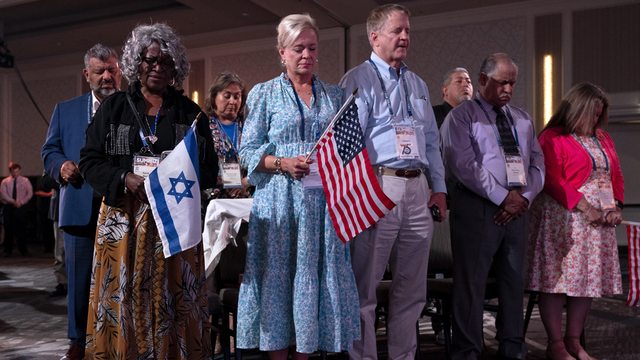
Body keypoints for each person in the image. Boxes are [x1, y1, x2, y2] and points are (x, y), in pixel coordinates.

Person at [79, 23, 217, 359]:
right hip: (124, 222)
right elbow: (89, 161)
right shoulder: (114, 109)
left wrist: (179, 174)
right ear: (135, 64)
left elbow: (210, 170)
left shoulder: (191, 114)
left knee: (175, 299)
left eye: (166, 62)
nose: (157, 67)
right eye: (149, 60)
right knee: (122, 300)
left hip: (175, 224)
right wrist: (124, 177)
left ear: (176, 69)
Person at [236, 13, 360, 358]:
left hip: (321, 206)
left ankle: (305, 353)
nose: (306, 55)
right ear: (282, 53)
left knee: (311, 276)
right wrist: (281, 163)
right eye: (298, 48)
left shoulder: (334, 95)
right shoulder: (264, 93)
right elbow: (246, 152)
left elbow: (347, 151)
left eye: (312, 48)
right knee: (279, 278)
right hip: (278, 202)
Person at [339, 4, 447, 359]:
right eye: (397, 31)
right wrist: (362, 192)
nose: (404, 37)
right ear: (374, 37)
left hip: (418, 189)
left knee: (412, 290)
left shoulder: (417, 82)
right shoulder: (358, 79)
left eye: (407, 31)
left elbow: (431, 142)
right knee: (364, 289)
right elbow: (347, 143)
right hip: (378, 186)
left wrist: (440, 190)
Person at [440, 53, 545, 359]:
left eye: (513, 83)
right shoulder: (460, 118)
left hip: (517, 211)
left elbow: (538, 163)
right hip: (477, 209)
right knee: (471, 285)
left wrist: (524, 197)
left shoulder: (523, 118)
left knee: (514, 283)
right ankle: (469, 351)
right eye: (502, 83)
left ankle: (513, 348)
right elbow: (464, 165)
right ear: (483, 80)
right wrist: (503, 197)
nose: (508, 90)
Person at [526, 82, 623, 360]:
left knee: (587, 282)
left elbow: (615, 175)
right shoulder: (552, 137)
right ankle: (555, 344)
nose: (595, 120)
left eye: (599, 115)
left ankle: (574, 342)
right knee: (557, 283)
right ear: (577, 109)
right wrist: (584, 206)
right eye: (591, 114)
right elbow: (552, 180)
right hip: (564, 218)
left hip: (598, 223)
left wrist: (616, 205)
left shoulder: (603, 138)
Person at [41, 43, 121, 360]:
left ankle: (117, 340)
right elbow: (49, 151)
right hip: (77, 207)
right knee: (78, 281)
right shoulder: (66, 110)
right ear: (86, 74)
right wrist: (60, 166)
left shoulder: (133, 108)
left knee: (119, 279)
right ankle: (77, 343)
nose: (106, 76)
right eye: (99, 71)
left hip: (119, 206)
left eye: (112, 69)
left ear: (120, 71)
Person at [204, 71, 251, 198]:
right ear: (214, 97)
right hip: (213, 197)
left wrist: (244, 182)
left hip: (246, 194)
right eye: (227, 96)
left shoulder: (250, 127)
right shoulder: (203, 127)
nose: (232, 101)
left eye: (237, 97)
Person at [0, 162, 33, 257]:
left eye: (17, 172)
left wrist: (21, 202)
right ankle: (7, 250)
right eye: (14, 172)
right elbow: (3, 194)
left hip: (21, 207)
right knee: (8, 228)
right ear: (10, 171)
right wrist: (13, 201)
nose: (16, 174)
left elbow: (29, 193)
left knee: (21, 229)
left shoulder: (25, 181)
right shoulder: (5, 181)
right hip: (9, 207)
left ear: (20, 171)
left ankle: (23, 250)